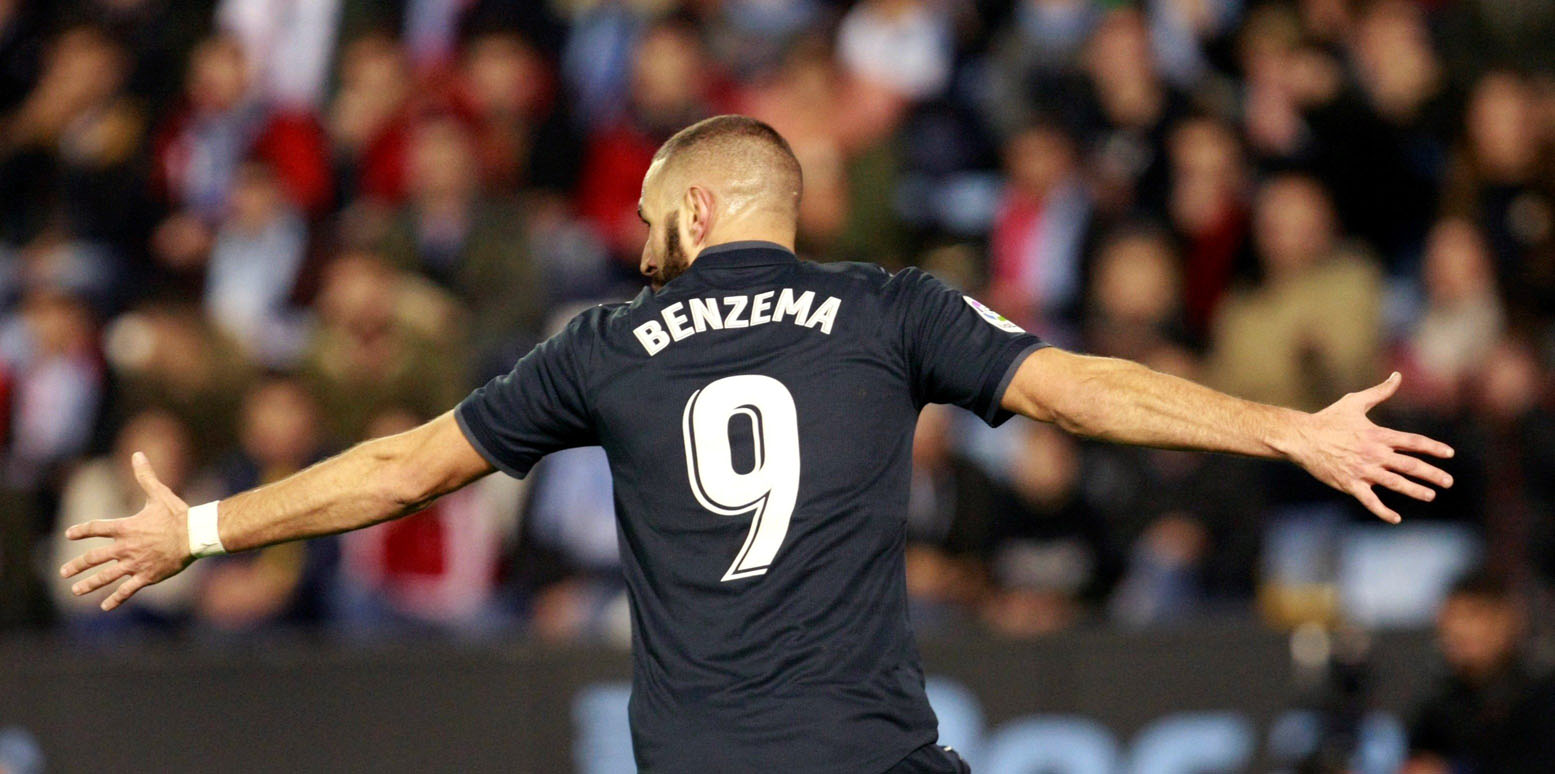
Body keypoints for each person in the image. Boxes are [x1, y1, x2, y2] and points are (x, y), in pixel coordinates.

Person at [60, 115, 1455, 774]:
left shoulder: (604, 341)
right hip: (862, 754)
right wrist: (1284, 428)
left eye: (657, 209)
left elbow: (399, 466)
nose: (640, 233)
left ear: (707, 208)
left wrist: (199, 531)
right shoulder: (886, 308)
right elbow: (1077, 387)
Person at [1404, 570, 1555, 774]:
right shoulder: (1437, 709)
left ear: (1509, 621)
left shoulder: (1540, 701)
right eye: (1453, 615)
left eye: (1474, 615)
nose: (1459, 629)